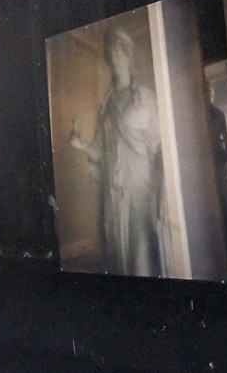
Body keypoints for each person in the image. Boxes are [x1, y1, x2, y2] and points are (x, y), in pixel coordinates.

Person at [69, 27, 166, 277]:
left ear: (128, 55)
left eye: (118, 51)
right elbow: (101, 152)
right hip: (114, 190)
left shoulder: (142, 97)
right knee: (118, 252)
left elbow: (159, 147)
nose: (114, 57)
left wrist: (164, 189)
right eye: (110, 52)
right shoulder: (108, 104)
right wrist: (82, 146)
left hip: (139, 189)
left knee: (141, 253)